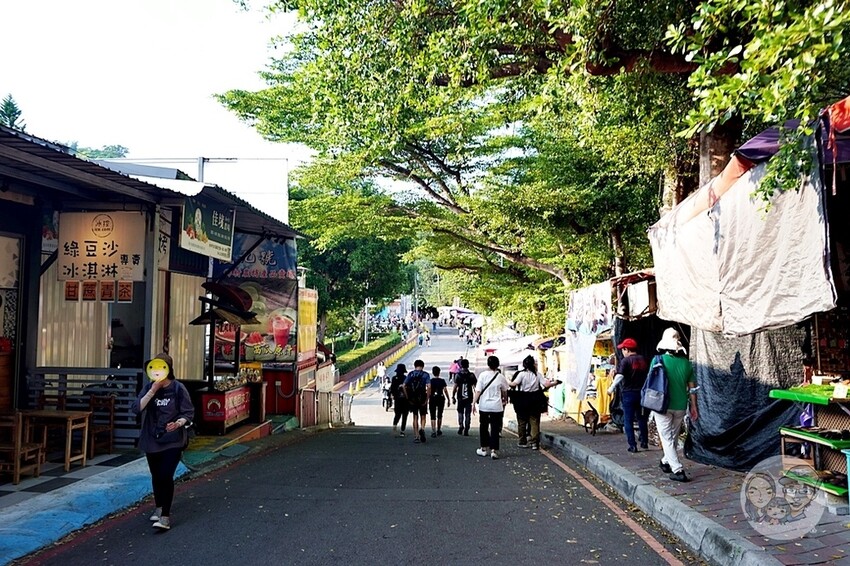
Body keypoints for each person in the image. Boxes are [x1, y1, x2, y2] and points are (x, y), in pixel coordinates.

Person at [131, 353, 195, 531]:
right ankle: (159, 507)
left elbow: (188, 412)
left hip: (173, 441)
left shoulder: (178, 388)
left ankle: (165, 516)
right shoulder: (149, 388)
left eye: (161, 368)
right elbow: (136, 408)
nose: (157, 372)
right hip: (152, 439)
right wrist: (153, 390)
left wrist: (179, 423)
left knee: (166, 475)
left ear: (168, 370)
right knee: (156, 475)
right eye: (154, 368)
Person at [653, 328, 699, 482]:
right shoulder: (686, 363)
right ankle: (665, 462)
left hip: (662, 405)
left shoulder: (657, 360)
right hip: (681, 406)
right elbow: (692, 388)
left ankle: (678, 470)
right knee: (672, 436)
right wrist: (694, 407)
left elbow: (651, 382)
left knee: (666, 438)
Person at [507, 355, 557, 450]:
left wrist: (506, 382)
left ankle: (522, 441)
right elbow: (546, 384)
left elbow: (514, 384)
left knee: (522, 421)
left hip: (522, 399)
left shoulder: (521, 374)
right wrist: (555, 383)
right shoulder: (537, 374)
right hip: (535, 399)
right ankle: (534, 443)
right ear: (533, 364)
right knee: (534, 421)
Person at [609, 338, 648, 453]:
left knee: (628, 420)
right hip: (641, 393)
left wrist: (611, 388)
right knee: (642, 418)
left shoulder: (625, 361)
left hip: (628, 394)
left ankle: (632, 445)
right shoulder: (643, 360)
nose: (622, 351)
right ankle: (644, 442)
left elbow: (620, 376)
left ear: (626, 349)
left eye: (623, 349)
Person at [473, 355, 508, 459]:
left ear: (488, 364)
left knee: (483, 427)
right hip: (497, 406)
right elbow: (505, 390)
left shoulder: (483, 375)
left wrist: (473, 403)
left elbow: (478, 391)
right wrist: (505, 399)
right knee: (495, 428)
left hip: (484, 406)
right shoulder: (500, 377)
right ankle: (494, 451)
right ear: (497, 365)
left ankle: (483, 449)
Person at [404, 359, 431, 443]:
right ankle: (422, 429)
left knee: (415, 417)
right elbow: (429, 386)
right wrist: (427, 398)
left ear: (415, 366)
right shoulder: (425, 375)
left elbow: (404, 385)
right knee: (423, 416)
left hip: (413, 398)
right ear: (423, 366)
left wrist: (407, 397)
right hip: (422, 397)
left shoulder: (411, 374)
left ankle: (416, 436)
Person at [452, 358, 476, 435]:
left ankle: (461, 425)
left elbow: (455, 387)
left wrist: (453, 396)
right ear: (468, 365)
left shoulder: (458, 375)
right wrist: (477, 397)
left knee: (460, 412)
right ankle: (467, 428)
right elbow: (475, 387)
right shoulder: (471, 375)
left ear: (461, 365)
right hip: (469, 397)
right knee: (468, 413)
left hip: (460, 397)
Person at [428, 366, 450, 437]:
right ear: (439, 372)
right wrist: (448, 399)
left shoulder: (430, 381)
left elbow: (429, 390)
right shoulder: (442, 381)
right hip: (441, 398)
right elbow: (445, 390)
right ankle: (439, 429)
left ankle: (433, 430)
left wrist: (427, 399)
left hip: (432, 398)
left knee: (433, 415)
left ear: (433, 372)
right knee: (440, 414)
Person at [390, 364, 409, 437]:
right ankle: (402, 430)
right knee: (404, 415)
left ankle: (394, 427)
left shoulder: (394, 378)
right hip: (405, 399)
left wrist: (393, 395)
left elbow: (392, 389)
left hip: (397, 399)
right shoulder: (406, 378)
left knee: (397, 414)